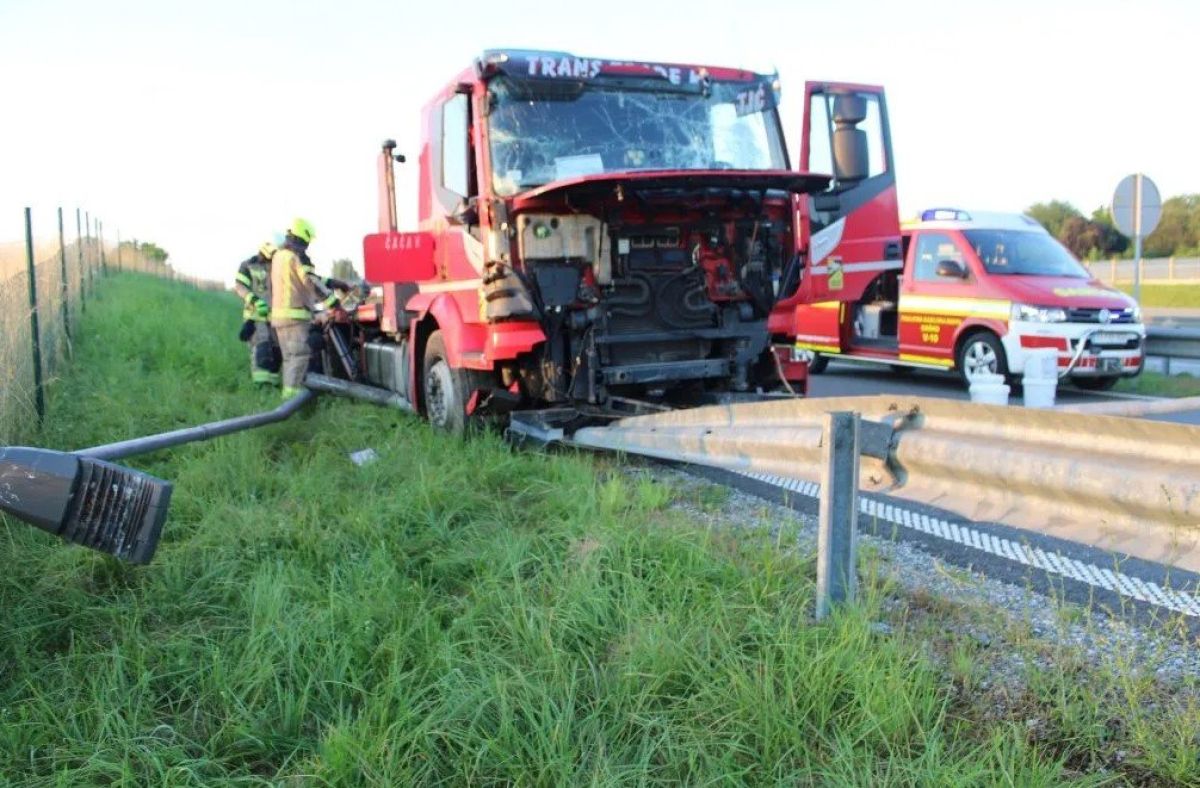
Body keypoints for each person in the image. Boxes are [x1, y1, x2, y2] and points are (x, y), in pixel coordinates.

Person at [269, 218, 339, 399]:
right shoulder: (298, 255)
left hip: (279, 317)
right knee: (299, 358)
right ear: (304, 236)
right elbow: (309, 280)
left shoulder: (279, 255)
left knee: (289, 359)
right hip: (295, 317)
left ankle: (287, 398)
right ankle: (294, 403)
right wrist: (332, 301)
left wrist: (333, 283)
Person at [233, 240, 281, 385]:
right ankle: (260, 384)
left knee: (277, 351)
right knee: (262, 348)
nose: (269, 261)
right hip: (255, 316)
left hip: (276, 317)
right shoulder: (248, 265)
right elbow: (240, 287)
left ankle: (273, 383)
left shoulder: (278, 266)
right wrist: (255, 300)